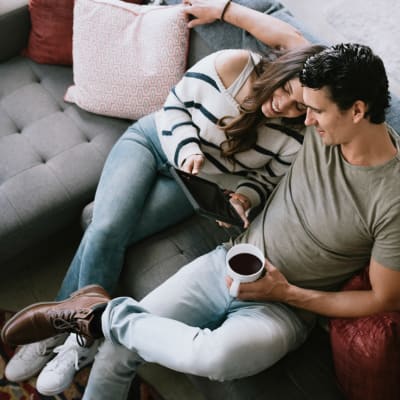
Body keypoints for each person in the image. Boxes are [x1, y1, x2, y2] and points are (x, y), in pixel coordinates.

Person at [3, 42, 400, 400]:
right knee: (118, 349)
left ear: (358, 111)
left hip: (284, 308)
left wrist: (288, 294)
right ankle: (98, 319)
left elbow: (384, 298)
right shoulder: (325, 119)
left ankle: (99, 314)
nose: (305, 120)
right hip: (228, 262)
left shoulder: (392, 198)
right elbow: (287, 38)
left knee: (213, 356)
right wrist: (223, 8)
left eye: (314, 111)